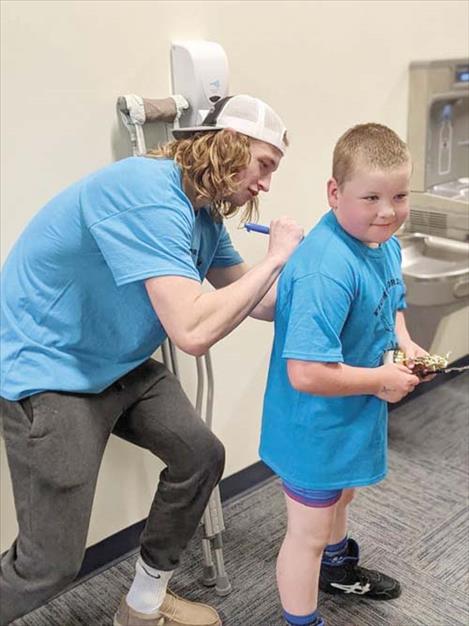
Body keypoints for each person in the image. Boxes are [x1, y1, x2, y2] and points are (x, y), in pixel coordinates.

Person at [0, 94, 303, 626]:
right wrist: (276, 256)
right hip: (50, 373)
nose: (265, 185)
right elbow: (191, 331)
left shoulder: (202, 214)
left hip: (118, 366)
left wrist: (322, 277)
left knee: (199, 455)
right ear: (229, 145)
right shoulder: (145, 193)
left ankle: (141, 607)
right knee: (48, 566)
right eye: (264, 165)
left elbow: (253, 298)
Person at [258, 123, 432, 626]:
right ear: (334, 193)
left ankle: (336, 569)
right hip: (313, 424)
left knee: (343, 495)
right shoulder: (326, 268)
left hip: (352, 412)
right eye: (371, 197)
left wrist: (404, 342)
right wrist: (381, 381)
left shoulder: (384, 243)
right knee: (306, 536)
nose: (387, 211)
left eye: (399, 196)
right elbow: (307, 373)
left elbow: (391, 302)